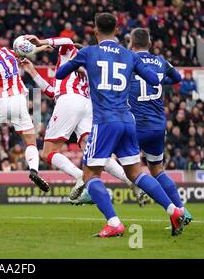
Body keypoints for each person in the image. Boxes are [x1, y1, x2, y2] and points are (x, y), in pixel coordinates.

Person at [56, 13, 185, 237]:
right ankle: (173, 209)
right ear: (117, 30)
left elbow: (59, 74)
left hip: (105, 121)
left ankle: (114, 223)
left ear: (95, 30)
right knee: (136, 172)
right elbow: (155, 80)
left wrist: (78, 63)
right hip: (128, 121)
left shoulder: (88, 52)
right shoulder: (129, 55)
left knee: (89, 175)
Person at [21, 36, 146, 205]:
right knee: (95, 152)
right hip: (87, 106)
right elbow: (52, 91)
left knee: (47, 152)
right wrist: (32, 72)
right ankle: (130, 181)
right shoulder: (90, 67)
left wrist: (42, 42)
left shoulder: (69, 52)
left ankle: (79, 176)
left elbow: (66, 41)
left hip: (70, 101)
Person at [129, 28, 192, 224]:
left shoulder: (128, 60)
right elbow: (178, 78)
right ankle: (182, 211)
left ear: (131, 43)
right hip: (158, 125)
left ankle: (170, 209)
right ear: (149, 44)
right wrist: (160, 80)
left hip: (136, 126)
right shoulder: (160, 61)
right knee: (157, 169)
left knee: (126, 168)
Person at [0, 31, 49, 192]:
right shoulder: (7, 51)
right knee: (30, 141)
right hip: (18, 101)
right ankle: (34, 170)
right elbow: (28, 51)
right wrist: (42, 47)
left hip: (0, 103)